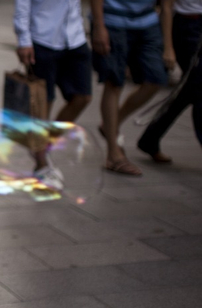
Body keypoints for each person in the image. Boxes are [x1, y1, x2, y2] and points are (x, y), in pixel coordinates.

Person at [13, 0, 92, 189]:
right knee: (43, 103)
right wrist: (24, 40)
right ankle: (41, 164)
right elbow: (22, 4)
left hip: (75, 38)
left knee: (82, 97)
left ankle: (43, 144)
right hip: (43, 38)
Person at [91, 0, 175, 176]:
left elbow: (167, 6)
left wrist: (168, 46)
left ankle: (110, 125)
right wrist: (99, 26)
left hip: (148, 22)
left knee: (156, 78)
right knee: (114, 83)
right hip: (112, 21)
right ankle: (113, 154)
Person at [137, 0, 202, 163]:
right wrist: (168, 47)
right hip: (188, 26)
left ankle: (150, 139)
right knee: (197, 88)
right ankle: (150, 139)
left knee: (189, 89)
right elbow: (166, 7)